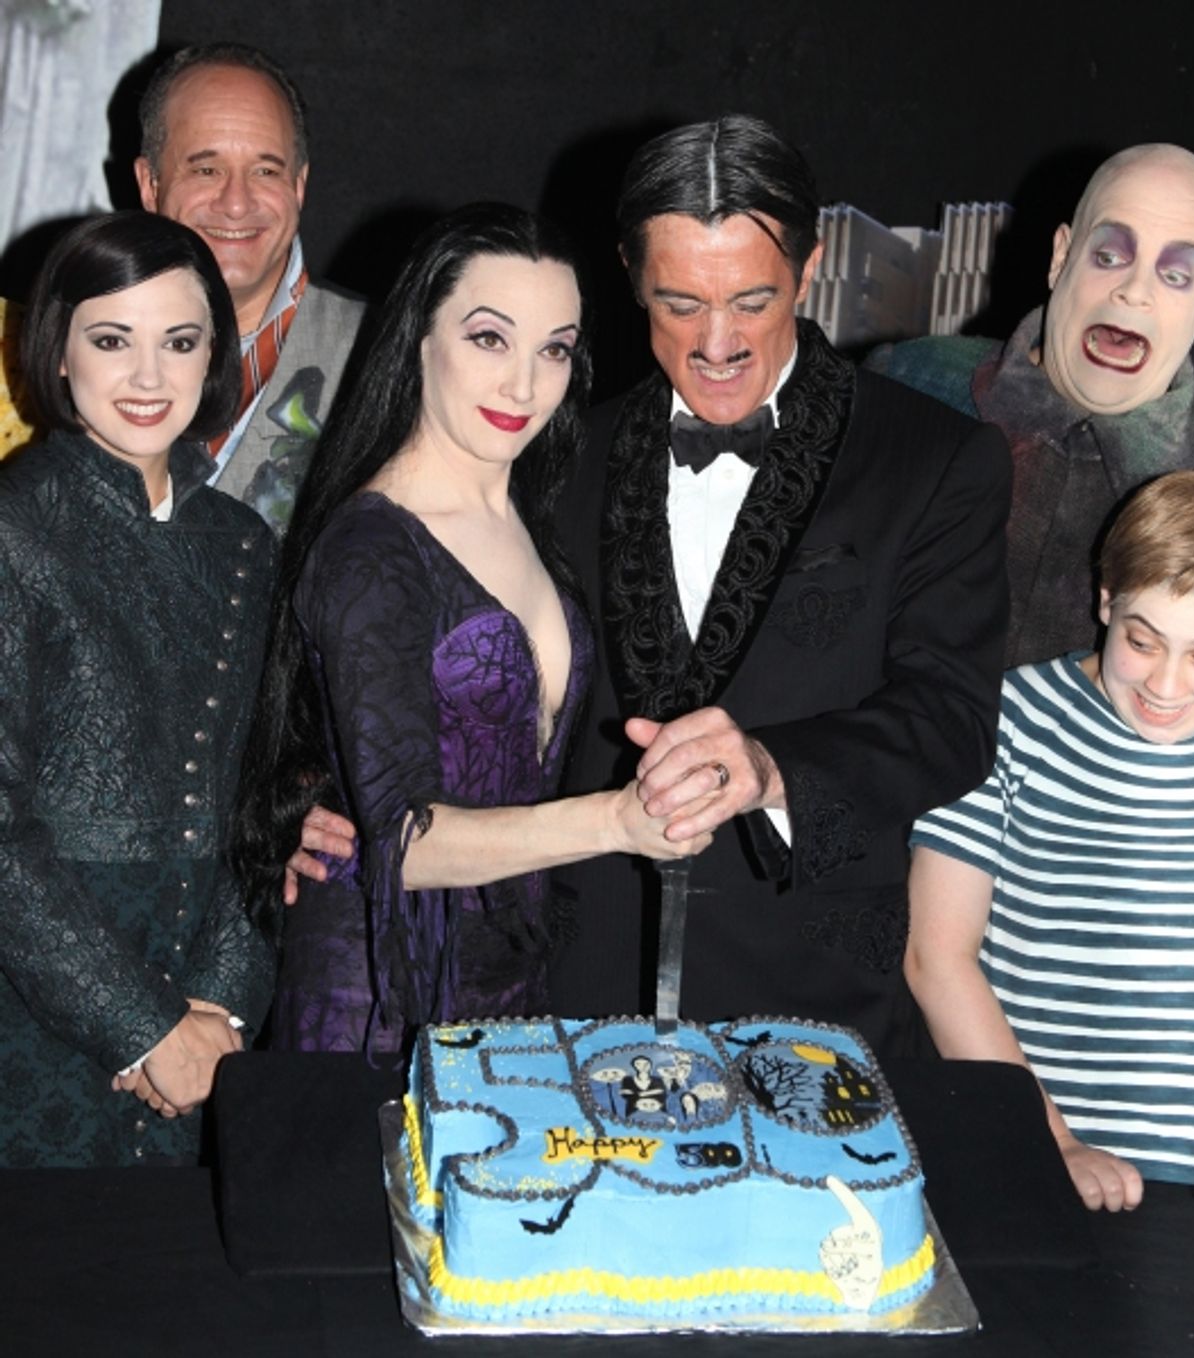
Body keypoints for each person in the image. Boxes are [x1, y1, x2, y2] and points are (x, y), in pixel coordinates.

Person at [538, 115, 1011, 1052]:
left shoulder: (936, 458)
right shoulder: (559, 454)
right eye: (679, 303)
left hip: (816, 1002)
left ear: (810, 267)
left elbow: (950, 718)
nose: (717, 342)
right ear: (630, 274)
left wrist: (768, 768)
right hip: (575, 996)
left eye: (752, 301)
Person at [235, 204, 707, 1058]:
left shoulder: (533, 514)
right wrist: (617, 822)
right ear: (420, 338)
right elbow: (406, 846)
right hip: (376, 1005)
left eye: (554, 350)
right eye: (490, 338)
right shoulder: (372, 546)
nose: (523, 386)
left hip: (510, 986)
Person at [0, 212, 276, 1166]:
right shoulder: (13, 528)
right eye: (113, 341)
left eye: (181, 342)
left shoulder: (243, 545)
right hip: (31, 1016)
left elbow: (265, 792)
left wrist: (219, 1005)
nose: (149, 377)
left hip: (205, 1024)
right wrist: (143, 1024)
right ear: (58, 351)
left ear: (214, 357)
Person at [906, 470, 1194, 1212]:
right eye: (1142, 641)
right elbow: (935, 956)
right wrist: (1052, 1140)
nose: (1166, 686)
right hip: (1044, 1160)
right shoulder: (1006, 724)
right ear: (1105, 601)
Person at [867, 143, 1194, 667]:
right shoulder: (908, 385)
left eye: (1176, 275)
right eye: (1109, 257)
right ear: (1061, 258)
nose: (1135, 291)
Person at [134, 42, 366, 532]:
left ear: (299, 185)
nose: (237, 203)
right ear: (150, 184)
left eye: (265, 171)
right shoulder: (69, 347)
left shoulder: (386, 354)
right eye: (206, 169)